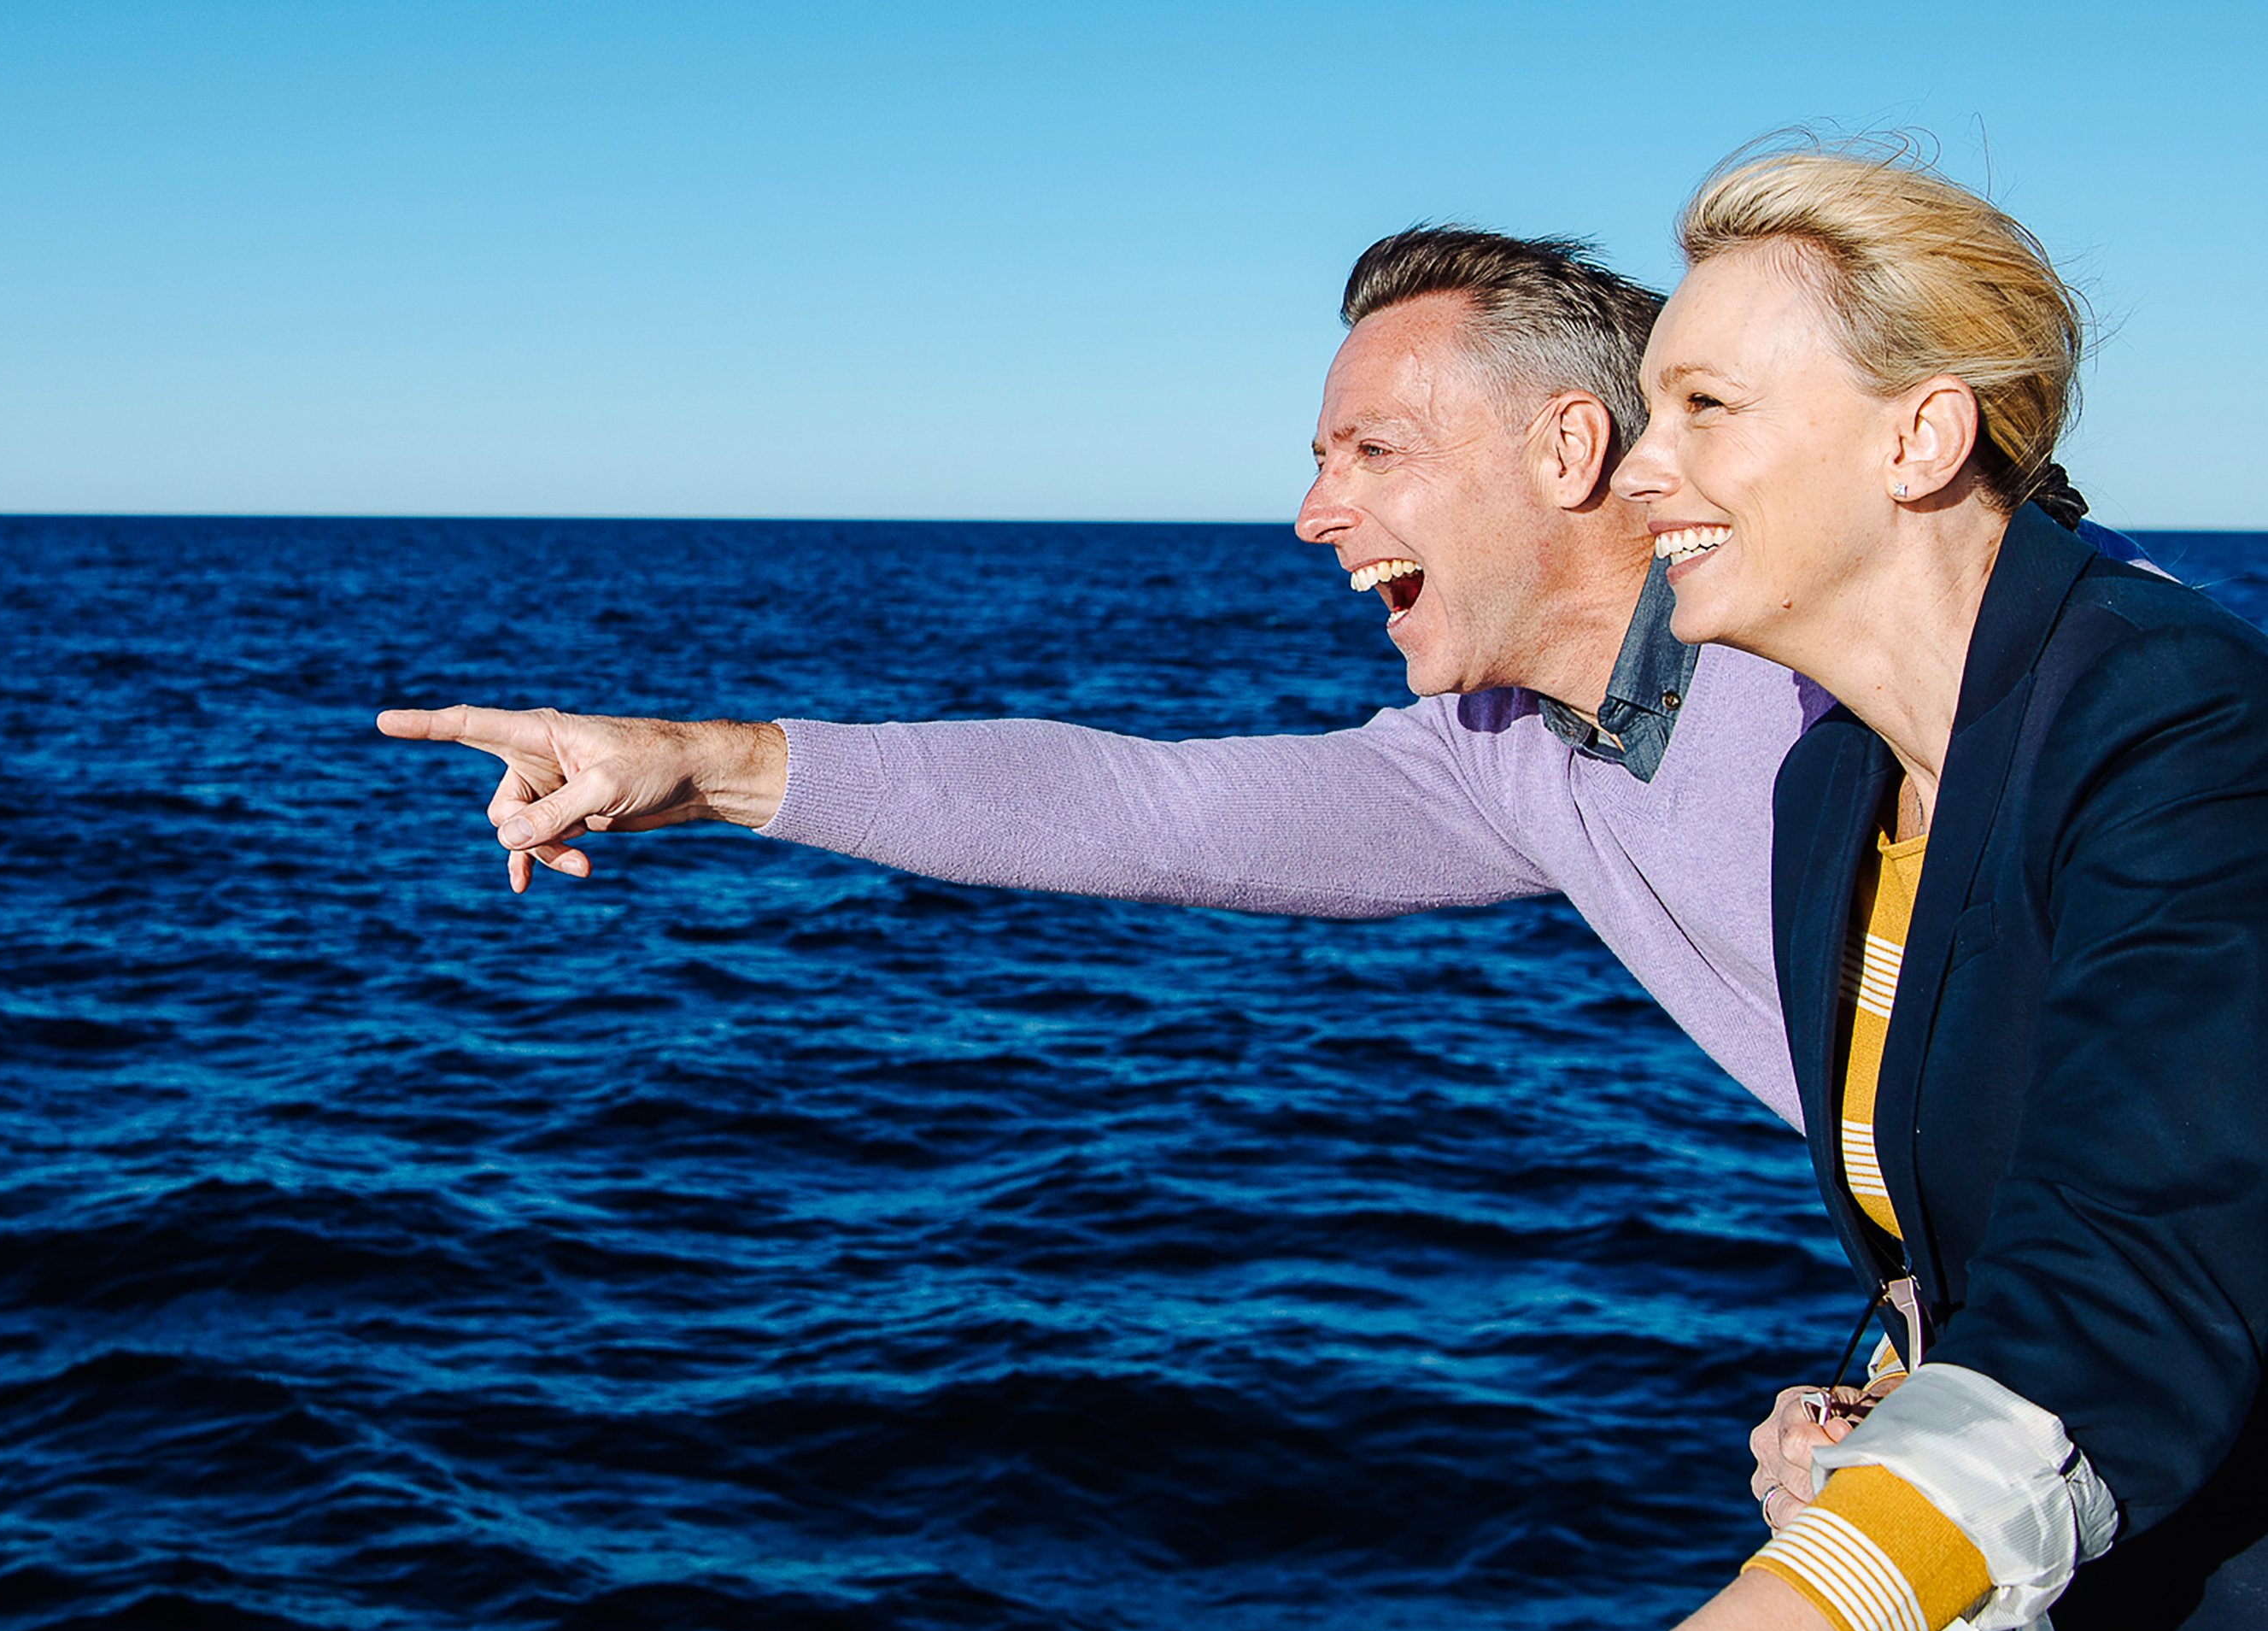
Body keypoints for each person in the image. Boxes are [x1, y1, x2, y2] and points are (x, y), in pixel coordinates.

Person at [379, 231, 2154, 1139]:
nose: (1314, 516)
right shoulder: (1503, 752)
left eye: (1368, 448)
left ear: (1562, 444)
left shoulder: (1882, 663)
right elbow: (1145, 805)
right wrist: (697, 765)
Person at [1461, 143, 2266, 1631]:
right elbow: (1990, 1226)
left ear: (1920, 436)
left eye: (1702, 404)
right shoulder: (1834, 795)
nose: (1640, 462)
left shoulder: (2182, 731)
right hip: (2066, 1602)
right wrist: (1903, 1379)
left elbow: (2142, 1275)